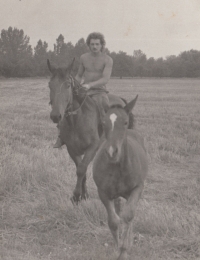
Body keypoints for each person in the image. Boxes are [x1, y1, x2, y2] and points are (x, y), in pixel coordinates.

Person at [54, 32, 113, 148]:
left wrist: (90, 85)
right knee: (67, 105)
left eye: (97, 44)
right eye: (92, 44)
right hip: (84, 90)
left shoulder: (108, 60)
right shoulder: (84, 58)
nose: (94, 47)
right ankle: (61, 136)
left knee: (103, 107)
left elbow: (105, 79)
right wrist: (73, 85)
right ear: (89, 45)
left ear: (102, 45)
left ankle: (108, 138)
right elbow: (79, 75)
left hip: (99, 92)